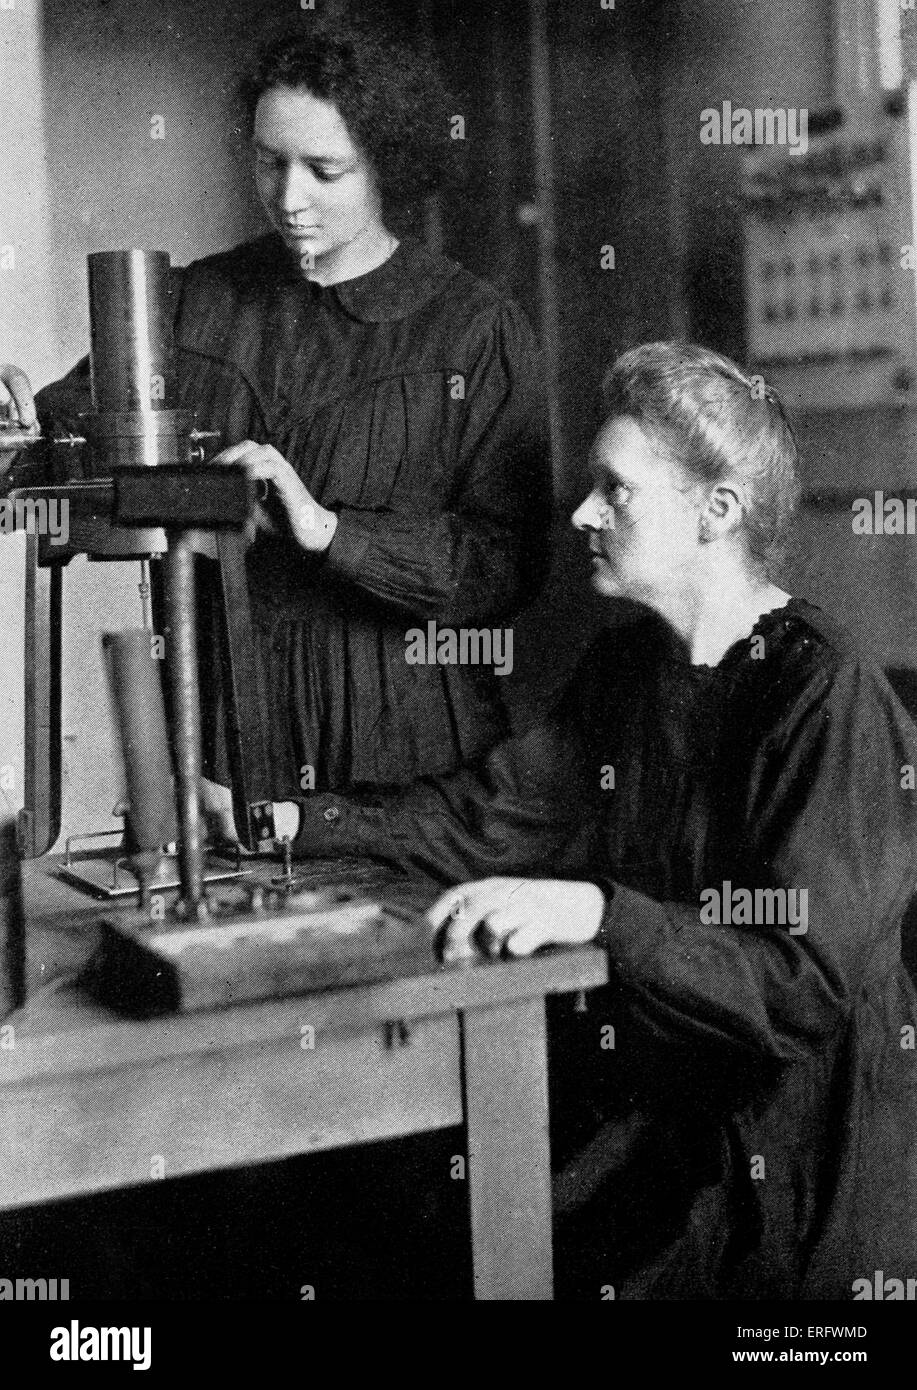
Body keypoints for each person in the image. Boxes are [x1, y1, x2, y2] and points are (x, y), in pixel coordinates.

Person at [288, 341, 917, 1300]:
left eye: (614, 490)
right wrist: (292, 818)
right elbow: (482, 820)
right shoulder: (625, 671)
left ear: (716, 513)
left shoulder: (823, 693)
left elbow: (800, 980)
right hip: (673, 1125)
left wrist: (596, 912)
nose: (583, 512)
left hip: (802, 1172)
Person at [0, 20, 551, 834]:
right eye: (269, 161)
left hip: (404, 756)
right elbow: (53, 451)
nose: (289, 197)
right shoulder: (193, 304)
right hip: (225, 742)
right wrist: (15, 437)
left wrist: (325, 528)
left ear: (387, 164)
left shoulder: (472, 329)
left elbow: (506, 568)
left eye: (325, 170)